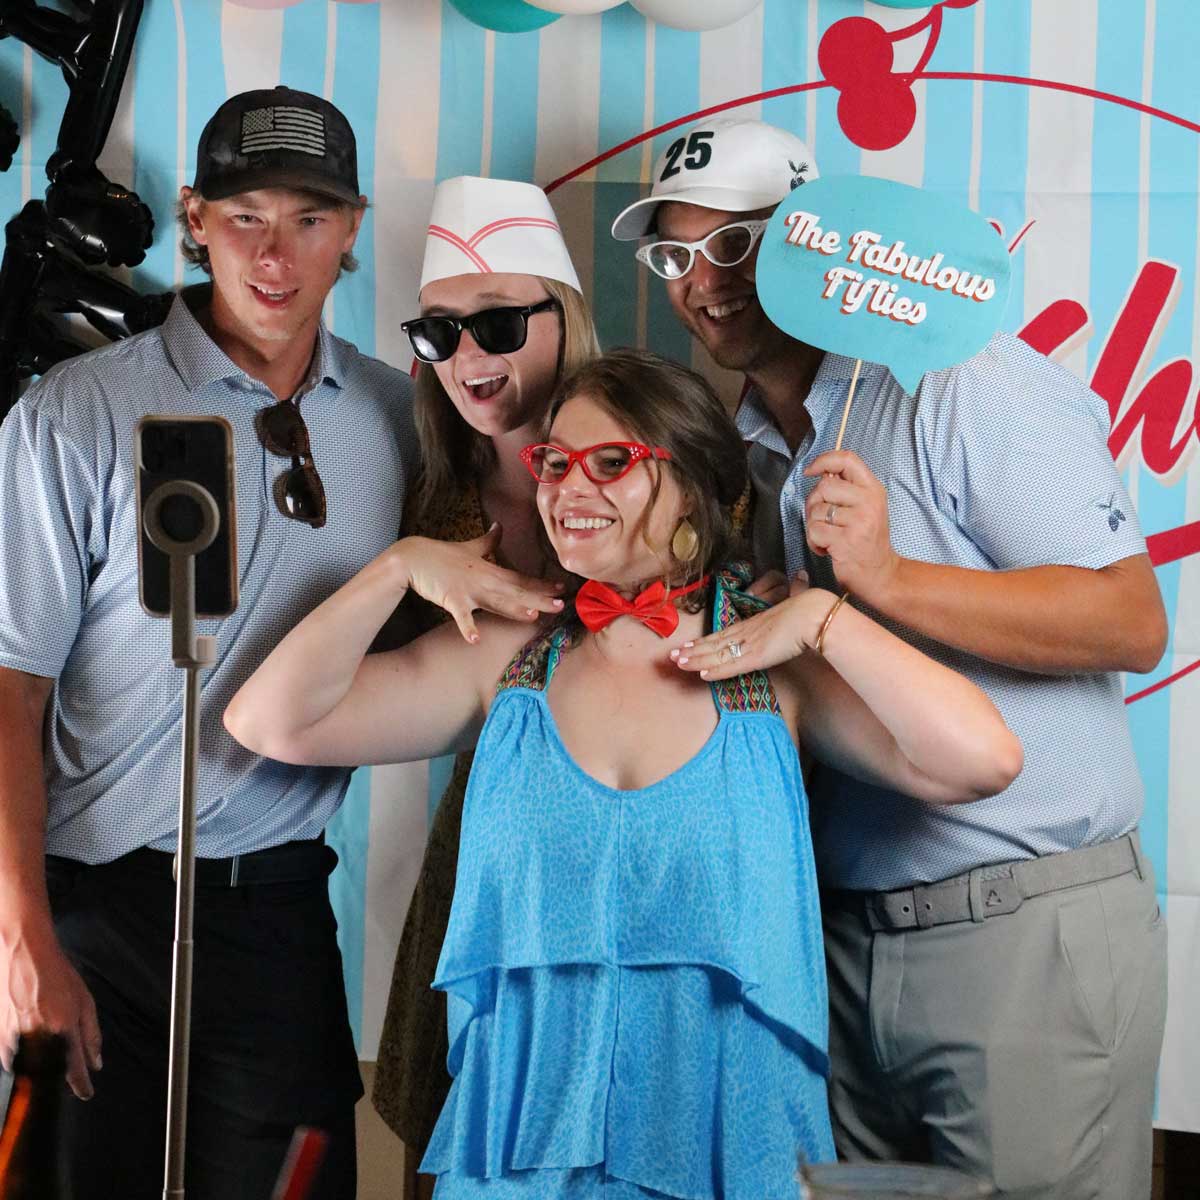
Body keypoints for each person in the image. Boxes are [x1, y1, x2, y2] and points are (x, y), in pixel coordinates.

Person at [225, 347, 1022, 1200]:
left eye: (612, 463)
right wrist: (397, 567)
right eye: (555, 462)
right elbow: (268, 720)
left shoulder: (772, 659)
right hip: (523, 1157)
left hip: (729, 1150)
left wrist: (826, 619)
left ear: (694, 482)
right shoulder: (507, 652)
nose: (571, 487)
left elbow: (984, 759)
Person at [0, 87, 557, 1200]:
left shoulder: (399, 421)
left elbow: (498, 569)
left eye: (309, 218)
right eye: (246, 215)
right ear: (195, 218)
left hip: (279, 912)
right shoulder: (76, 414)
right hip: (87, 911)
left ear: (351, 231)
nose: (275, 252)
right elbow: (10, 687)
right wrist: (19, 941)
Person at [613, 116, 1170, 1200]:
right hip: (844, 938)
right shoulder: (749, 446)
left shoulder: (963, 379)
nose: (703, 283)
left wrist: (889, 580)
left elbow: (1130, 619)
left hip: (1021, 929)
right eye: (676, 256)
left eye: (737, 244)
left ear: (812, 240)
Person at [370, 175, 600, 1170]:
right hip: (490, 865)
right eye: (439, 333)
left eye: (500, 324)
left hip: (640, 862)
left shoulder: (659, 457)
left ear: (565, 320)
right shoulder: (426, 503)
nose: (469, 356)